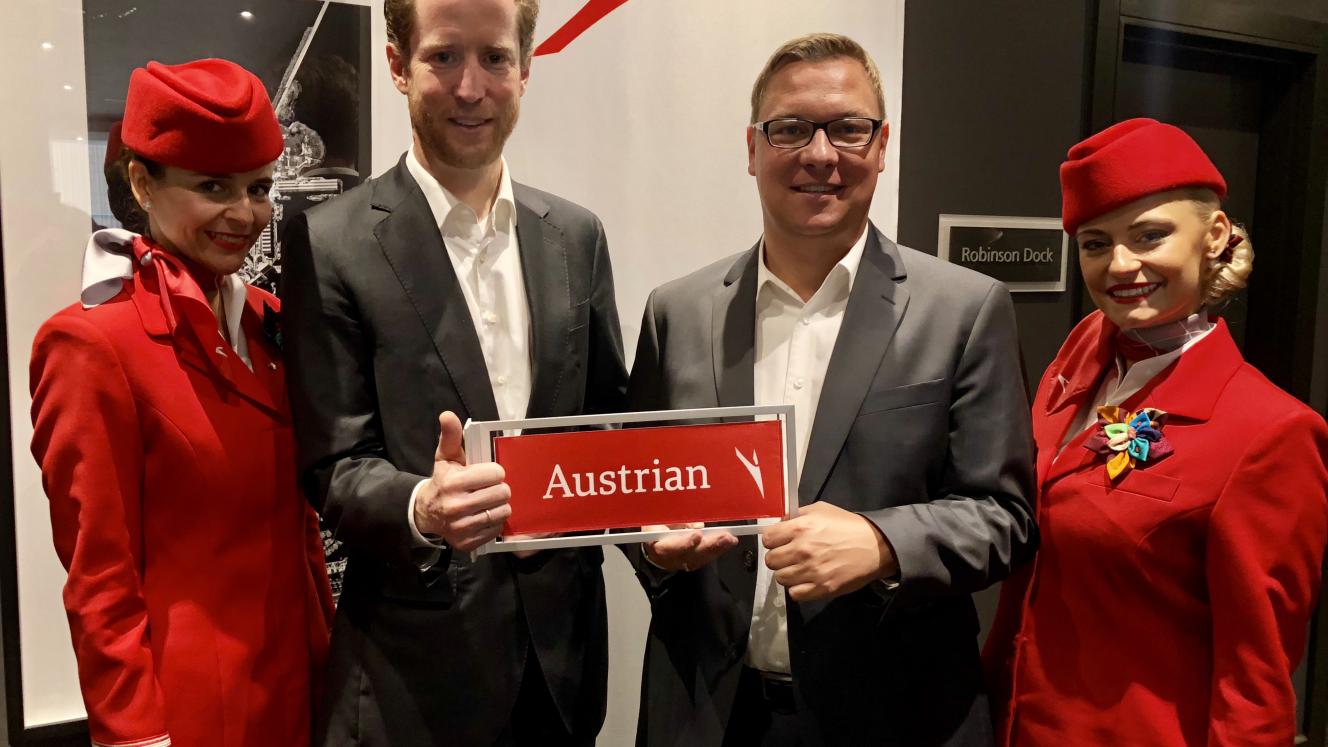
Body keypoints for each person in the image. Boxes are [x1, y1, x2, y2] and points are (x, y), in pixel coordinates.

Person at [625, 33, 1037, 746]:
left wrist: (882, 541)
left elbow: (1005, 516)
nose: (820, 154)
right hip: (706, 712)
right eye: (790, 129)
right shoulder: (677, 311)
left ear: (882, 145)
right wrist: (653, 548)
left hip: (895, 714)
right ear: (752, 149)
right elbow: (640, 489)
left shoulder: (965, 310)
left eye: (847, 128)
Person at [278, 0, 628, 744]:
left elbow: (606, 424)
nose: (471, 87)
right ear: (399, 65)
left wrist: (658, 518)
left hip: (561, 672)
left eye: (495, 58)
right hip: (413, 679)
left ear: (526, 70)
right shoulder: (330, 241)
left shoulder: (576, 235)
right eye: (443, 57)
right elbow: (332, 466)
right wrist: (421, 507)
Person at [982, 118, 1328, 745]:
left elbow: (1256, 686)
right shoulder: (1080, 355)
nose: (1120, 265)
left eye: (1150, 235)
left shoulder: (1271, 433)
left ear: (1215, 234)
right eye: (1095, 243)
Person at [29, 58, 333, 747]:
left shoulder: (271, 322)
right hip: (191, 715)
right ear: (142, 182)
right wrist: (137, 736)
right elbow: (100, 581)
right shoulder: (90, 344)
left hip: (301, 693)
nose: (244, 214)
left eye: (258, 188)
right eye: (212, 188)